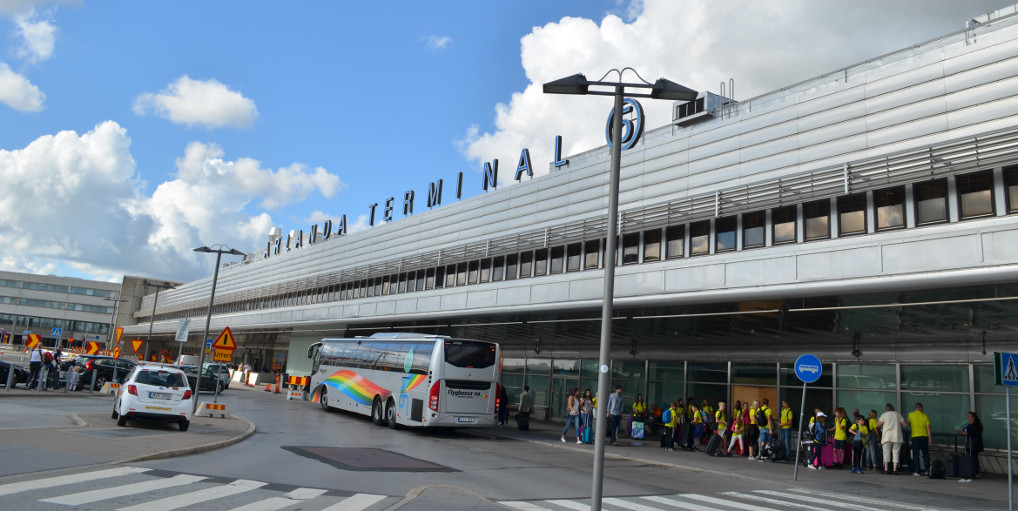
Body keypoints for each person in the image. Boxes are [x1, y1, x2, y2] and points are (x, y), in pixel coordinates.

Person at [877, 403, 906, 475]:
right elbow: (904, 424)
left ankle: (886, 469)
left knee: (886, 452)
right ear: (893, 408)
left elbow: (878, 424)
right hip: (897, 436)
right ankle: (895, 470)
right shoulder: (897, 414)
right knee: (896, 452)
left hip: (887, 436)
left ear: (886, 409)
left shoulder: (884, 415)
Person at [905, 402, 932, 476]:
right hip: (924, 436)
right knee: (925, 454)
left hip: (915, 437)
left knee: (916, 454)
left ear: (916, 408)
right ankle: (927, 470)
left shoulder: (911, 415)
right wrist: (930, 439)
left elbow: (909, 423)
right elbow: (928, 428)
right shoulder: (925, 416)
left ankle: (917, 471)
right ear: (921, 408)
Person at [956, 411, 983, 482]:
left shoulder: (976, 425)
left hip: (974, 444)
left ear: (973, 417)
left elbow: (972, 433)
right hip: (969, 444)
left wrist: (964, 433)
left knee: (974, 457)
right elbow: (967, 431)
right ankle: (972, 470)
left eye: (970, 416)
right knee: (971, 457)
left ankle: (976, 471)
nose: (968, 418)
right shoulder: (969, 425)